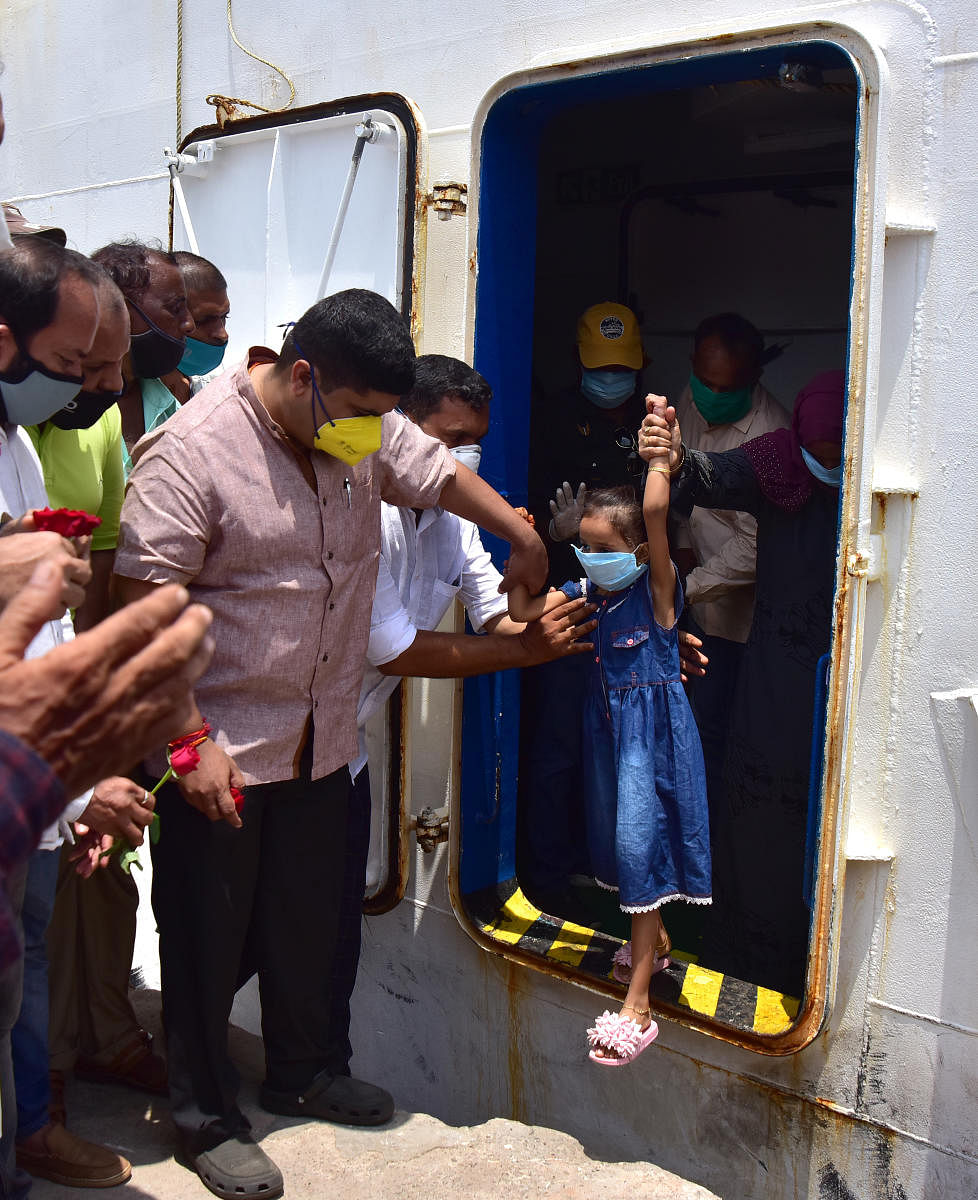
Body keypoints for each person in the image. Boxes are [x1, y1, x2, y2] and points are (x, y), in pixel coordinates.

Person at [113, 290, 548, 1200]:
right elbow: (142, 619)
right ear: (301, 374)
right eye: (358, 418)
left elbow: (429, 470)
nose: (371, 438)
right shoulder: (191, 455)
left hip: (321, 739)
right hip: (220, 747)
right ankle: (204, 1117)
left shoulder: (359, 425)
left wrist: (519, 533)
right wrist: (188, 744)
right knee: (205, 933)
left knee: (309, 927)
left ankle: (302, 1071)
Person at [326, 354, 599, 1079]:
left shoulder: (452, 523)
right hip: (289, 743)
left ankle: (323, 1069)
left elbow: (496, 614)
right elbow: (393, 651)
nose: (465, 455)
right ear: (404, 433)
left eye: (477, 437)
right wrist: (523, 652)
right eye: (451, 437)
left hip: (342, 752)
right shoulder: (368, 510)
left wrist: (546, 601)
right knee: (266, 927)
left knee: (332, 929)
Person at [509, 395, 710, 1066]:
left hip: (650, 746)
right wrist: (530, 542)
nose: (591, 558)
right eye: (584, 546)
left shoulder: (656, 596)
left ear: (637, 552)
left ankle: (640, 1006)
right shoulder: (593, 597)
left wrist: (660, 454)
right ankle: (653, 948)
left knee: (638, 852)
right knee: (618, 849)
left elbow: (655, 513)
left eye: (603, 548)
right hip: (611, 745)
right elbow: (523, 609)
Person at [645, 370, 845, 995]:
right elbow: (711, 474)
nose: (828, 469)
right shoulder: (778, 463)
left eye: (840, 457)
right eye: (820, 456)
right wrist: (676, 459)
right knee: (756, 816)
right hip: (776, 678)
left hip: (842, 682)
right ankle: (745, 954)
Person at [671, 313, 788, 857]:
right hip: (692, 589)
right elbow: (678, 491)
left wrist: (688, 586)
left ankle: (713, 861)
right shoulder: (687, 402)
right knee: (685, 733)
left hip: (736, 616)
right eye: (706, 383)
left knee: (718, 738)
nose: (712, 397)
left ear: (753, 376)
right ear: (693, 366)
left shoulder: (771, 433)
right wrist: (681, 548)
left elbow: (756, 545)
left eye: (727, 388)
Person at [89, 241, 194, 474]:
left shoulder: (170, 404)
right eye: (176, 308)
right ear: (120, 310)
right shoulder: (72, 410)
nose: (189, 324)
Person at [163, 251, 230, 403]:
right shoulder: (124, 403)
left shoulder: (214, 394)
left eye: (225, 317)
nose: (223, 334)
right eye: (204, 319)